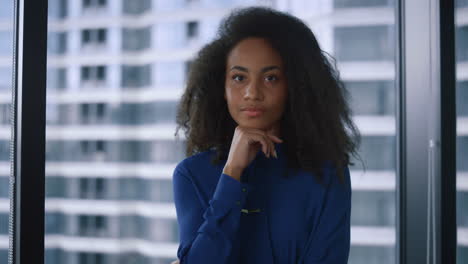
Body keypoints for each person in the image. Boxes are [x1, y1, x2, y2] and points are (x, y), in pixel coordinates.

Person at [172, 6, 362, 264]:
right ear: (221, 86)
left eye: (271, 78)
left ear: (294, 85)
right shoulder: (191, 174)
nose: (252, 92)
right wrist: (232, 174)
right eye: (239, 77)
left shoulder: (326, 174)